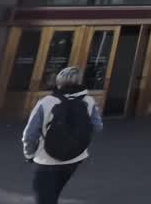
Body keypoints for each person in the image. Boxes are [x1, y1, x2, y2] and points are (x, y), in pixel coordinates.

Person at [22, 67, 103, 204]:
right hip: (75, 157)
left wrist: (29, 154)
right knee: (54, 193)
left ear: (59, 81)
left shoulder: (46, 102)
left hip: (45, 159)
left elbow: (30, 134)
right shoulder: (89, 101)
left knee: (44, 198)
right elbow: (97, 127)